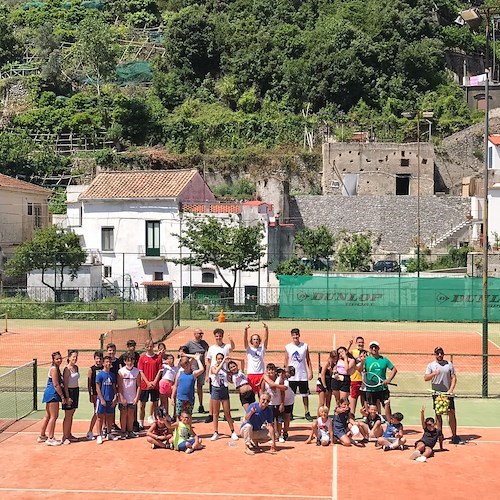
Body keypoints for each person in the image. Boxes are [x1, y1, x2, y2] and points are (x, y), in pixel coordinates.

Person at [424, 346, 461, 444]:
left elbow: (453, 378)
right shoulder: (431, 365)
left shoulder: (449, 364)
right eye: (438, 353)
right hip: (437, 394)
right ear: (435, 354)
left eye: (441, 353)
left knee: (451, 413)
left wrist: (451, 390)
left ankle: (454, 435)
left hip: (447, 394)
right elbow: (426, 378)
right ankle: (439, 434)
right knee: (438, 414)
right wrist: (434, 374)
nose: (440, 355)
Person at [205, 328, 234, 423]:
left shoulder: (226, 347)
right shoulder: (211, 348)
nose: (218, 338)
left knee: (224, 395)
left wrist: (231, 340)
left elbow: (233, 347)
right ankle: (210, 414)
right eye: (216, 336)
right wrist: (207, 375)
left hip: (223, 374)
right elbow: (208, 362)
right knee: (213, 396)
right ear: (214, 337)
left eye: (220, 336)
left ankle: (226, 414)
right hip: (213, 374)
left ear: (222, 336)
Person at [284, 328, 314, 421]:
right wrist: (286, 372)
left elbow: (308, 359)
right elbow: (286, 360)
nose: (295, 336)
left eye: (297, 334)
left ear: (299, 335)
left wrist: (311, 371)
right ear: (291, 336)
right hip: (292, 376)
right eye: (293, 335)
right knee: (290, 395)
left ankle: (307, 412)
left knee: (305, 395)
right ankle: (290, 413)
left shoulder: (304, 346)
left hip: (302, 375)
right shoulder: (288, 347)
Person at [209, 353, 239, 441]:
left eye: (222, 359)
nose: (220, 360)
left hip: (224, 390)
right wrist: (222, 363)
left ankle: (233, 431)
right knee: (215, 413)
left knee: (227, 412)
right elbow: (215, 372)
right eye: (219, 359)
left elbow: (230, 380)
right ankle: (215, 432)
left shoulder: (225, 370)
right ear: (216, 359)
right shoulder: (213, 367)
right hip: (216, 390)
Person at [38, 351, 65, 446]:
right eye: (57, 359)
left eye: (60, 358)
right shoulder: (54, 369)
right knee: (54, 416)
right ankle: (50, 438)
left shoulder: (56, 368)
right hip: (53, 394)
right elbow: (56, 384)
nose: (59, 360)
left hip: (49, 393)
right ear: (53, 360)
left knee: (48, 416)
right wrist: (62, 396)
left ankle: (42, 436)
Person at [364, 340, 397, 414]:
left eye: (375, 347)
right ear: (370, 348)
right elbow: (360, 370)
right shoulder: (366, 360)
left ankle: (390, 421)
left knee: (386, 405)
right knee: (372, 408)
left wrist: (389, 379)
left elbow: (394, 369)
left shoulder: (384, 360)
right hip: (370, 388)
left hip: (382, 388)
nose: (374, 349)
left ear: (378, 348)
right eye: (372, 347)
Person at [182, 329, 209, 413]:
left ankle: (201, 405)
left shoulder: (204, 343)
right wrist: (191, 357)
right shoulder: (189, 343)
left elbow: (208, 352)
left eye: (202, 333)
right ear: (195, 334)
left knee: (200, 386)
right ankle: (188, 405)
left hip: (201, 368)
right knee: (190, 387)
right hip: (192, 369)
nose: (201, 335)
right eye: (199, 333)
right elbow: (182, 352)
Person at [138, 339, 163, 429]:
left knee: (155, 404)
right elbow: (141, 371)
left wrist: (155, 382)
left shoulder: (158, 358)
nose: (149, 348)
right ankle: (141, 423)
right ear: (145, 347)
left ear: (153, 347)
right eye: (147, 346)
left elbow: (160, 371)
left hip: (155, 385)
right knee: (142, 405)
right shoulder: (142, 358)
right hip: (145, 386)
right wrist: (147, 382)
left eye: (151, 346)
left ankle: (157, 423)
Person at [95, 355, 118, 445]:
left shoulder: (112, 375)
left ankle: (109, 433)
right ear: (103, 363)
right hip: (102, 399)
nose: (108, 364)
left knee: (109, 416)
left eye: (109, 362)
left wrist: (115, 396)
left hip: (110, 399)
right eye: (106, 362)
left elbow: (114, 387)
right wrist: (101, 399)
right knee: (100, 417)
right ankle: (99, 435)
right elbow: (97, 388)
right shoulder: (100, 374)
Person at [118, 353, 141, 439]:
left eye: (131, 361)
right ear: (124, 361)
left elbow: (139, 386)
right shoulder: (121, 372)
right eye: (128, 361)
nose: (130, 363)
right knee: (123, 414)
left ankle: (130, 431)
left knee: (131, 414)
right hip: (123, 398)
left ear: (134, 361)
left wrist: (136, 397)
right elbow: (119, 386)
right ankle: (123, 432)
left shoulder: (136, 371)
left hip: (132, 397)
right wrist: (122, 398)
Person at [244, 323, 269, 394]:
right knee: (250, 395)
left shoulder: (262, 349)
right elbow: (245, 340)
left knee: (261, 394)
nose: (256, 340)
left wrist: (266, 329)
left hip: (260, 374)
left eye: (257, 339)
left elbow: (266, 339)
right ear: (251, 341)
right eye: (254, 339)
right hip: (251, 374)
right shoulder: (249, 349)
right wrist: (246, 330)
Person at [61, 350, 80, 445]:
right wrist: (67, 397)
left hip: (76, 391)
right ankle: (64, 437)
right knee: (68, 415)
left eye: (76, 357)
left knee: (71, 414)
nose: (75, 359)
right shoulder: (66, 369)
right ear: (69, 357)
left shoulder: (76, 367)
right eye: (73, 357)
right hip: (69, 392)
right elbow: (65, 384)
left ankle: (69, 434)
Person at [86, 350, 103, 440]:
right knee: (97, 413)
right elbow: (89, 384)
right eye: (97, 358)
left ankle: (102, 430)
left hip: (104, 394)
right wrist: (90, 394)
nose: (98, 360)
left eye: (100, 358)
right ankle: (90, 431)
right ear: (94, 359)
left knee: (103, 413)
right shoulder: (91, 369)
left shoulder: (105, 368)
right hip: (95, 395)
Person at [276, 366, 295, 443]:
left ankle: (285, 433)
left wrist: (282, 404)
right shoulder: (276, 377)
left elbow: (283, 389)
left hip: (288, 400)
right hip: (279, 400)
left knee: (286, 418)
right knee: (279, 419)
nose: (282, 373)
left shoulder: (286, 381)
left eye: (285, 372)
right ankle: (279, 434)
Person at [349, 337, 366, 416]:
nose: (360, 344)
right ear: (356, 343)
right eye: (359, 342)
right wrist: (349, 344)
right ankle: (352, 414)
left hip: (364, 380)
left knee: (364, 398)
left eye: (362, 342)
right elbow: (345, 354)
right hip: (355, 378)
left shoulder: (366, 353)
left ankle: (365, 414)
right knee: (353, 397)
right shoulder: (353, 352)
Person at [106, 342, 121, 432]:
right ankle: (105, 426)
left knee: (113, 405)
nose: (111, 352)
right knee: (106, 406)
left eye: (113, 350)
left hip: (115, 387)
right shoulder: (105, 361)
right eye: (110, 350)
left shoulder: (118, 361)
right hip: (106, 387)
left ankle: (112, 423)